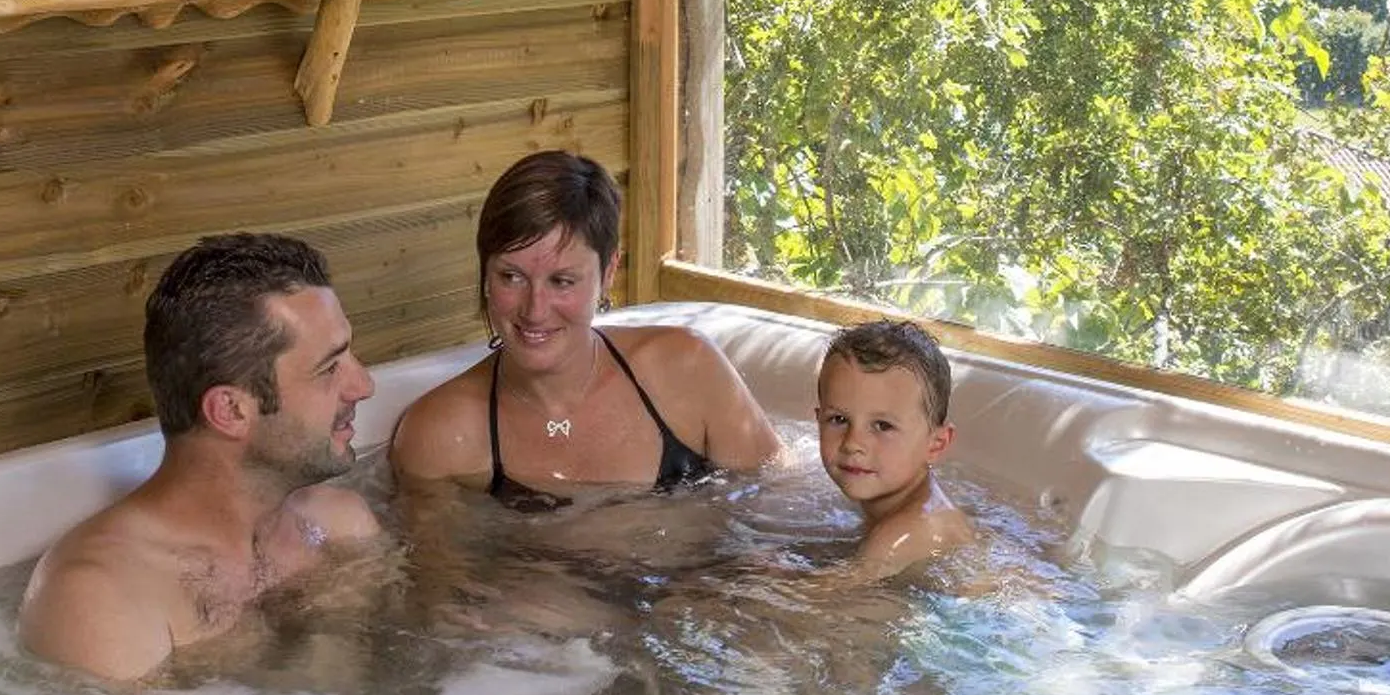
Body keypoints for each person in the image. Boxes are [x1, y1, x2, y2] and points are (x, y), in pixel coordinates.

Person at [18, 232, 382, 681]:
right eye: (330, 368)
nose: (364, 385)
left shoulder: (340, 525)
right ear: (230, 410)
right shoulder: (101, 599)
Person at [390, 149, 779, 505]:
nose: (535, 310)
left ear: (608, 272)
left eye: (562, 281)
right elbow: (440, 581)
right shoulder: (440, 435)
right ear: (485, 275)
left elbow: (779, 509)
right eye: (511, 277)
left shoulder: (687, 370)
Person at [813, 316, 974, 581]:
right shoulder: (904, 506)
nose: (853, 443)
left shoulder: (899, 537)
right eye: (839, 420)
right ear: (818, 420)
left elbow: (811, 604)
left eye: (882, 426)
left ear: (936, 444)